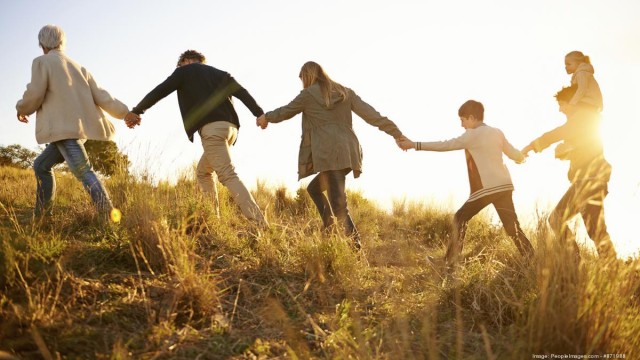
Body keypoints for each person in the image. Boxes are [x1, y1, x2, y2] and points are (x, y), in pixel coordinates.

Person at [256, 61, 405, 249]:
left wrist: (266, 117)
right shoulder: (345, 92)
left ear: (307, 76)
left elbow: (285, 111)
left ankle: (355, 250)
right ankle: (329, 229)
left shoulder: (308, 95)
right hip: (348, 151)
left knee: (339, 204)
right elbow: (371, 115)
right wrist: (396, 132)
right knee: (315, 189)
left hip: (327, 152)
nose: (301, 82)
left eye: (301, 78)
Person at [126, 50, 267, 227]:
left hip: (212, 129)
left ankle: (260, 223)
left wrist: (138, 110)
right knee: (203, 172)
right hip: (230, 129)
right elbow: (242, 92)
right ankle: (212, 221)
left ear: (185, 61)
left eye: (180, 65)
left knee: (227, 175)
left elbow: (160, 91)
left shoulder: (184, 71)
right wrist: (259, 113)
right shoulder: (221, 74)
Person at [15, 25, 136, 219]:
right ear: (62, 42)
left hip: (63, 130)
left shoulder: (42, 62)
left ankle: (108, 217)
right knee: (40, 166)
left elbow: (34, 93)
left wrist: (21, 108)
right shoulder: (80, 68)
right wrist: (125, 113)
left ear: (42, 44)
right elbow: (103, 96)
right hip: (77, 131)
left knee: (83, 171)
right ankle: (43, 216)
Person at [397, 100, 534, 267]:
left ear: (471, 117)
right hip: (504, 186)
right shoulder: (497, 132)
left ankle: (449, 262)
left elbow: (445, 145)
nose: (462, 125)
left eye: (462, 120)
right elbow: (515, 155)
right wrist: (523, 156)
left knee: (459, 218)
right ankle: (531, 258)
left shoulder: (471, 135)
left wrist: (414, 145)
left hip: (486, 189)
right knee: (512, 227)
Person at [522, 85, 616, 260]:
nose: (560, 109)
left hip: (590, 181)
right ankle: (602, 265)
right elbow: (585, 148)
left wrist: (530, 147)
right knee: (594, 229)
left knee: (561, 219)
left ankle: (580, 260)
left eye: (562, 104)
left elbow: (554, 134)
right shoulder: (583, 121)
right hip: (588, 181)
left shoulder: (582, 118)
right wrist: (566, 151)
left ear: (574, 101)